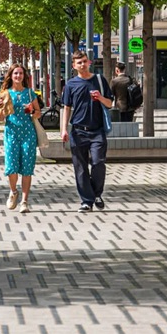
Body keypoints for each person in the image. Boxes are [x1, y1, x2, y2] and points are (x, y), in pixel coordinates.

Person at [60, 49, 114, 213]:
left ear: (89, 62)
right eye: (79, 62)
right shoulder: (71, 84)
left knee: (98, 162)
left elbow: (110, 104)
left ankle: (96, 193)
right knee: (80, 168)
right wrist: (64, 129)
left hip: (97, 130)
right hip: (78, 131)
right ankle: (87, 200)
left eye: (85, 61)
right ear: (74, 66)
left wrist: (100, 97)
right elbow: (67, 107)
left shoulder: (99, 80)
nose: (83, 64)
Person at [0, 62, 40, 213]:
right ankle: (14, 191)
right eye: (15, 73)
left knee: (27, 168)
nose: (18, 76)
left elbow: (38, 113)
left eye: (20, 73)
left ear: (24, 76)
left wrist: (31, 111)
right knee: (11, 168)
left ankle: (24, 201)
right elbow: (0, 118)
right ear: (11, 75)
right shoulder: (5, 93)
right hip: (11, 134)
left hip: (28, 134)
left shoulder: (29, 93)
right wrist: (1, 107)